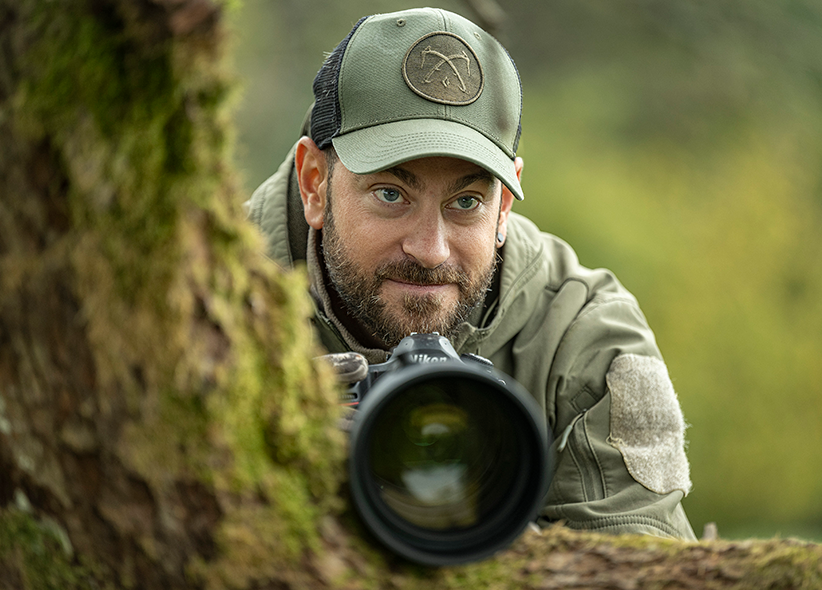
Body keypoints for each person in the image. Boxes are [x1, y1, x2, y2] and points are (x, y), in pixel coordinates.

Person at [246, 7, 696, 540]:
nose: (431, 250)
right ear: (315, 182)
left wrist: (491, 516)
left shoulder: (581, 334)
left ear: (504, 206)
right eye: (391, 194)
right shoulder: (198, 306)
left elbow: (649, 568)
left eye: (466, 201)